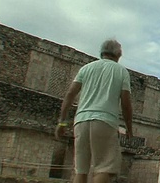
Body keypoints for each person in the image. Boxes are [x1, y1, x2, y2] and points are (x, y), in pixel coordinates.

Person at [56, 39, 133, 183]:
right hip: (105, 121)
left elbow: (69, 95)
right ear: (118, 54)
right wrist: (129, 128)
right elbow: (126, 104)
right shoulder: (121, 71)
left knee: (80, 169)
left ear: (102, 52)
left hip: (81, 120)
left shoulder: (86, 68)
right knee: (104, 167)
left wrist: (62, 122)